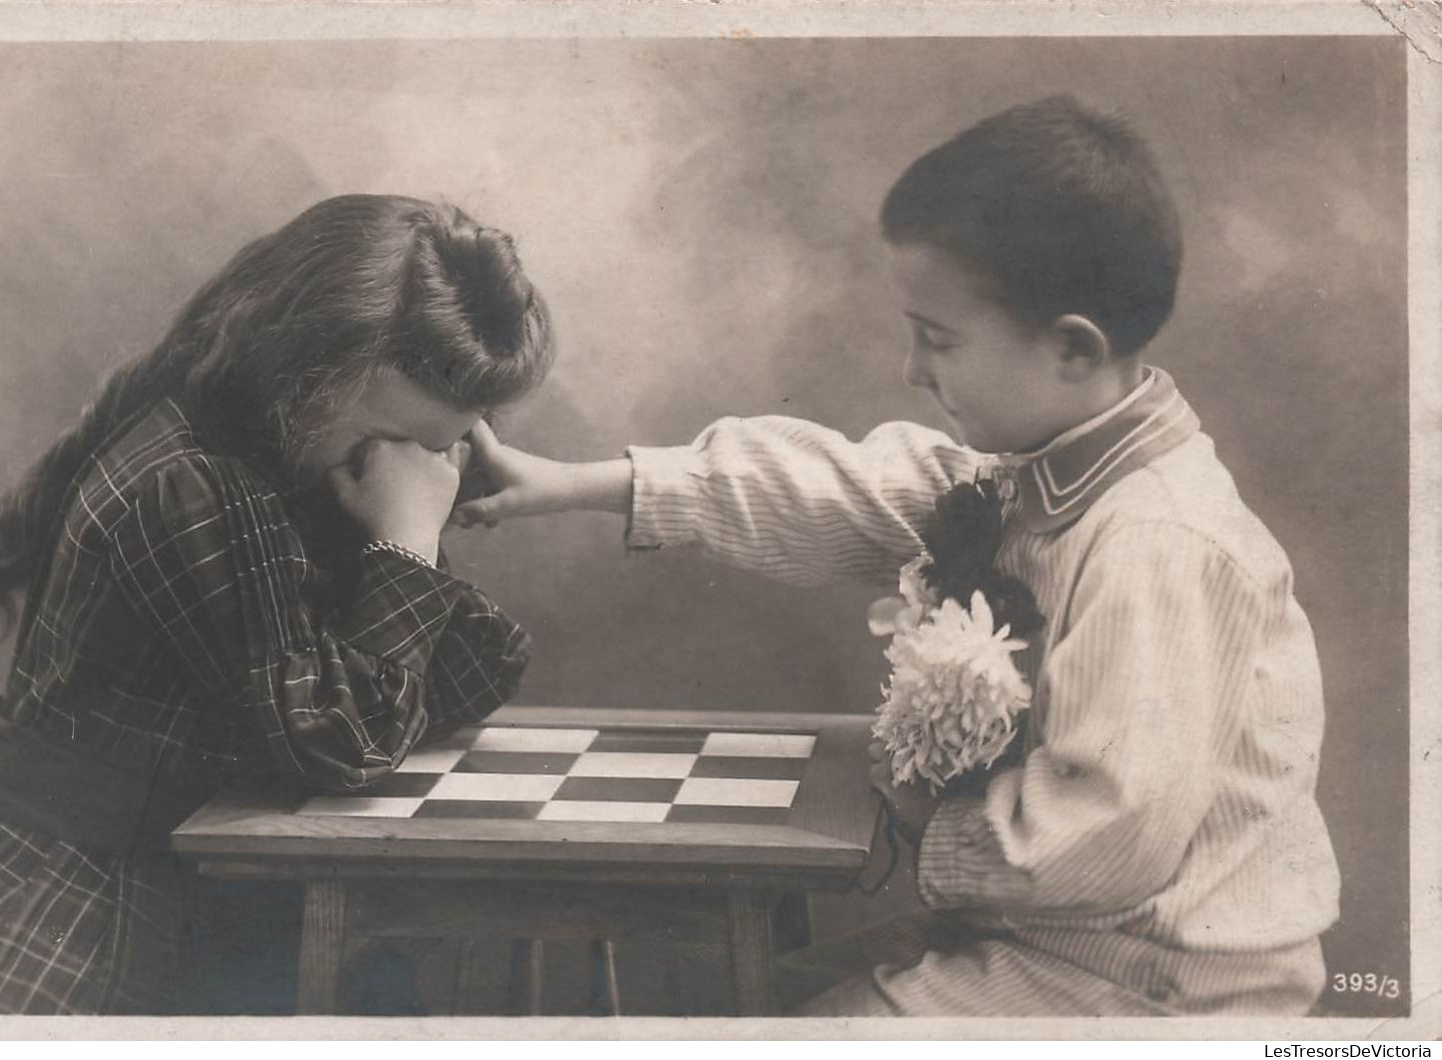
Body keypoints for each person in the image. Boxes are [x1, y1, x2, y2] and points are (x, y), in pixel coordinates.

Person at [453, 96, 1341, 1016]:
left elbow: (1094, 841)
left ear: (1073, 350)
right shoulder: (1036, 477)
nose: (913, 372)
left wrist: (917, 810)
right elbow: (842, 487)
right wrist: (572, 484)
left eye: (938, 339)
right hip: (1056, 949)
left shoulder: (1156, 541)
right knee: (718, 1010)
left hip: (1158, 993)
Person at [0, 194, 554, 1015]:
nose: (414, 467)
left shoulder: (285, 457)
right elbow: (348, 741)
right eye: (392, 437)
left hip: (203, 879)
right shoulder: (201, 484)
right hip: (81, 906)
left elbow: (466, 674)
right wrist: (405, 542)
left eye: (438, 448)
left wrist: (404, 528)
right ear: (302, 376)